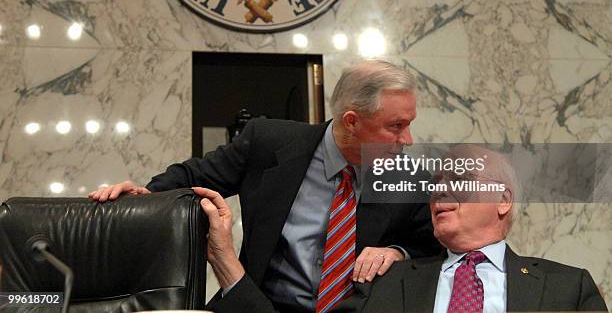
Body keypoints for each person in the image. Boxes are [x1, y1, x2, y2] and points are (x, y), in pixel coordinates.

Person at [90, 60, 442, 313]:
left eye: (409, 125)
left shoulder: (406, 175)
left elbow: (432, 247)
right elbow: (190, 178)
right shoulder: (269, 142)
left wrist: (397, 251)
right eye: (396, 126)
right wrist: (142, 197)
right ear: (352, 121)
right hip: (260, 306)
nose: (407, 140)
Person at [195, 145, 608, 312]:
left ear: (503, 200)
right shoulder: (382, 284)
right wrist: (226, 260)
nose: (440, 190)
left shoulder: (567, 288)